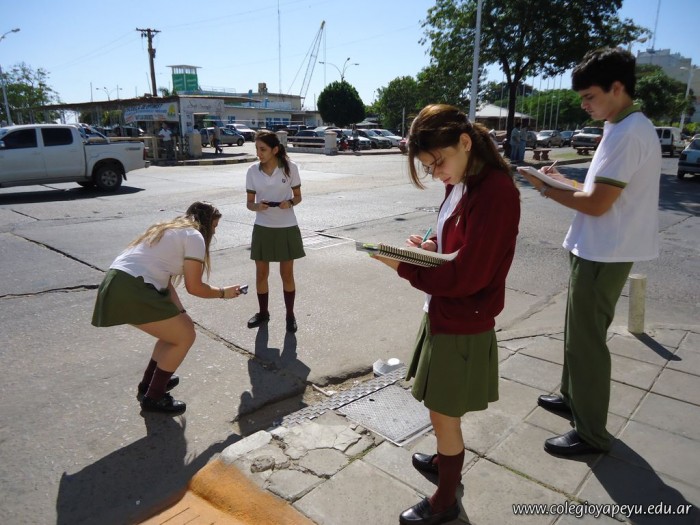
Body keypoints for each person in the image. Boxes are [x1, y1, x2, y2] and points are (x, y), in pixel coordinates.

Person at [370, 104, 520, 525]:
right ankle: (444, 460)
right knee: (440, 407)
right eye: (428, 166)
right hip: (444, 309)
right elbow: (453, 238)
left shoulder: (495, 191)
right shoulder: (465, 180)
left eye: (438, 162)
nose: (436, 173)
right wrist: (431, 247)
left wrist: (403, 265)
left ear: (465, 142)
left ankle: (445, 500)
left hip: (463, 317)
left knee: (443, 411)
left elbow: (469, 275)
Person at [518, 48, 661, 456]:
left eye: (589, 96)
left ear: (617, 88)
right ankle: (572, 397)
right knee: (577, 332)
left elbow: (597, 204)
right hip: (598, 248)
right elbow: (600, 192)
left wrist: (545, 189)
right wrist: (563, 182)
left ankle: (592, 432)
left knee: (587, 342)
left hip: (604, 252)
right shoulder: (622, 126)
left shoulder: (628, 133)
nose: (584, 105)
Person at [91, 201, 245, 415]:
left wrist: (181, 313)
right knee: (185, 337)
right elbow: (195, 287)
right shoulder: (194, 236)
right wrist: (222, 293)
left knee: (175, 333)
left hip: (118, 282)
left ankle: (149, 384)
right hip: (134, 287)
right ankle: (154, 397)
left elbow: (166, 282)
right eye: (215, 226)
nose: (214, 232)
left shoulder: (168, 229)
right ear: (207, 223)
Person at [245, 130, 304, 333]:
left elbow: (298, 196)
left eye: (263, 149)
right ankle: (263, 313)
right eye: (257, 149)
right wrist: (257, 206)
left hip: (286, 227)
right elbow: (249, 203)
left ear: (275, 149)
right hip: (263, 227)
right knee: (261, 274)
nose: (258, 153)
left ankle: (290, 315)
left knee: (286, 275)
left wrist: (290, 203)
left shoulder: (290, 168)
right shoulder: (252, 171)